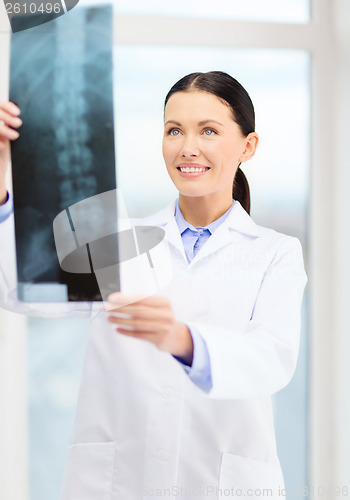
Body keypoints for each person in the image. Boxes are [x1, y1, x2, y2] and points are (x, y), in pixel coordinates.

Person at [0, 71, 307, 500]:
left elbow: (270, 359)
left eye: (209, 131)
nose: (188, 147)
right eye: (174, 130)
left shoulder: (276, 252)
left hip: (222, 483)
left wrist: (183, 339)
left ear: (247, 146)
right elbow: (22, 290)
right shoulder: (116, 240)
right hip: (120, 483)